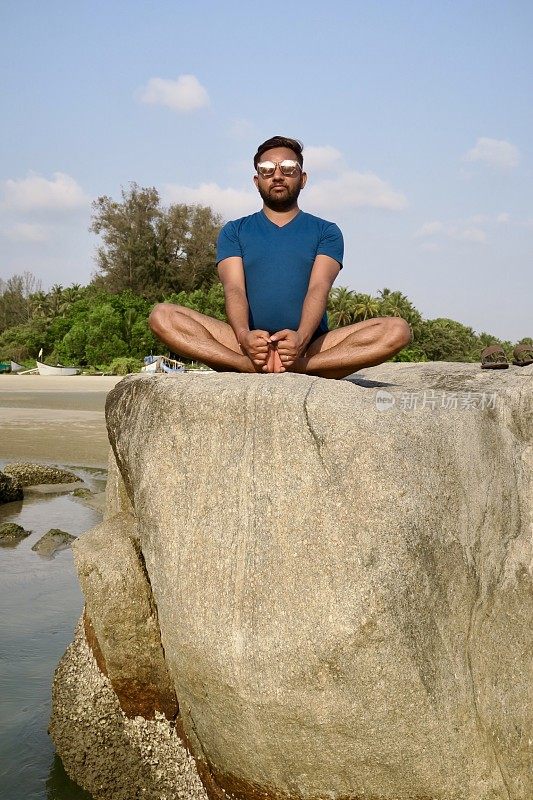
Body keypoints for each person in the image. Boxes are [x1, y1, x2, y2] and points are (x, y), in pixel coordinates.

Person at [149, 136, 411, 378]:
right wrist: (244, 337)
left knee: (397, 330)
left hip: (311, 346)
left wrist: (300, 340)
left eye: (288, 169)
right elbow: (234, 289)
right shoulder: (234, 231)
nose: (277, 176)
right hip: (245, 346)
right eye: (267, 170)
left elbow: (318, 288)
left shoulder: (326, 231)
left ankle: (299, 368)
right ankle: (244, 366)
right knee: (162, 316)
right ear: (257, 180)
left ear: (302, 178)